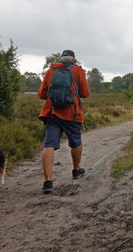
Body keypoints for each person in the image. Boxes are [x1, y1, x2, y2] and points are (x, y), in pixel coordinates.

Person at [38, 49, 90, 194]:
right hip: (72, 114)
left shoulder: (51, 71)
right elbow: (85, 93)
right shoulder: (78, 71)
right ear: (73, 59)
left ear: (61, 59)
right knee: (75, 141)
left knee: (49, 144)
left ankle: (47, 181)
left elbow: (41, 94)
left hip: (53, 113)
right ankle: (76, 170)